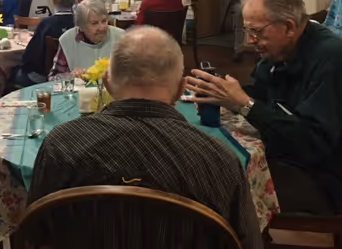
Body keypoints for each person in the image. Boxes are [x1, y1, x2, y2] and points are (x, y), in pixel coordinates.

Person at [29, 26, 262, 249]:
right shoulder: (219, 159)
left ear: (108, 83)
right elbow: (245, 243)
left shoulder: (61, 145)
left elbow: (34, 234)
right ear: (181, 90)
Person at [186, 0, 342, 215]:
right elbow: (262, 94)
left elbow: (313, 142)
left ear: (288, 27)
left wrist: (243, 104)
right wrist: (222, 92)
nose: (250, 40)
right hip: (286, 154)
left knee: (224, 188)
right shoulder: (277, 51)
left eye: (257, 31)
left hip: (325, 175)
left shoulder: (330, 57)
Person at [14, 0, 77, 86]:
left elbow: (30, 57)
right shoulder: (79, 24)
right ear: (74, 0)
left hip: (42, 77)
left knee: (11, 73)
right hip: (72, 74)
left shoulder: (46, 24)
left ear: (53, 0)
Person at [49, 0, 125, 79]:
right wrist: (71, 76)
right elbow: (53, 78)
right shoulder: (68, 40)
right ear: (81, 26)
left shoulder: (121, 37)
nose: (102, 28)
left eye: (104, 21)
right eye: (94, 23)